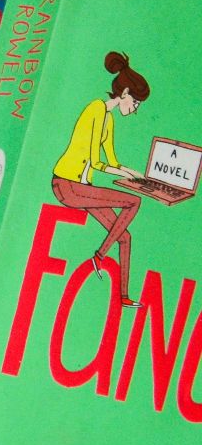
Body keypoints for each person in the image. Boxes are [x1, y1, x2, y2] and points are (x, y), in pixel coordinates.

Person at [50, 51, 149, 306]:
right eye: (135, 103)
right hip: (67, 185)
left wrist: (134, 175)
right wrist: (124, 175)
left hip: (82, 188)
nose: (134, 109)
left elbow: (112, 161)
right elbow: (96, 162)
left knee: (125, 236)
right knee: (134, 202)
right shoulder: (96, 109)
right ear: (124, 93)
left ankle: (123, 297)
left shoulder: (109, 120)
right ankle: (100, 256)